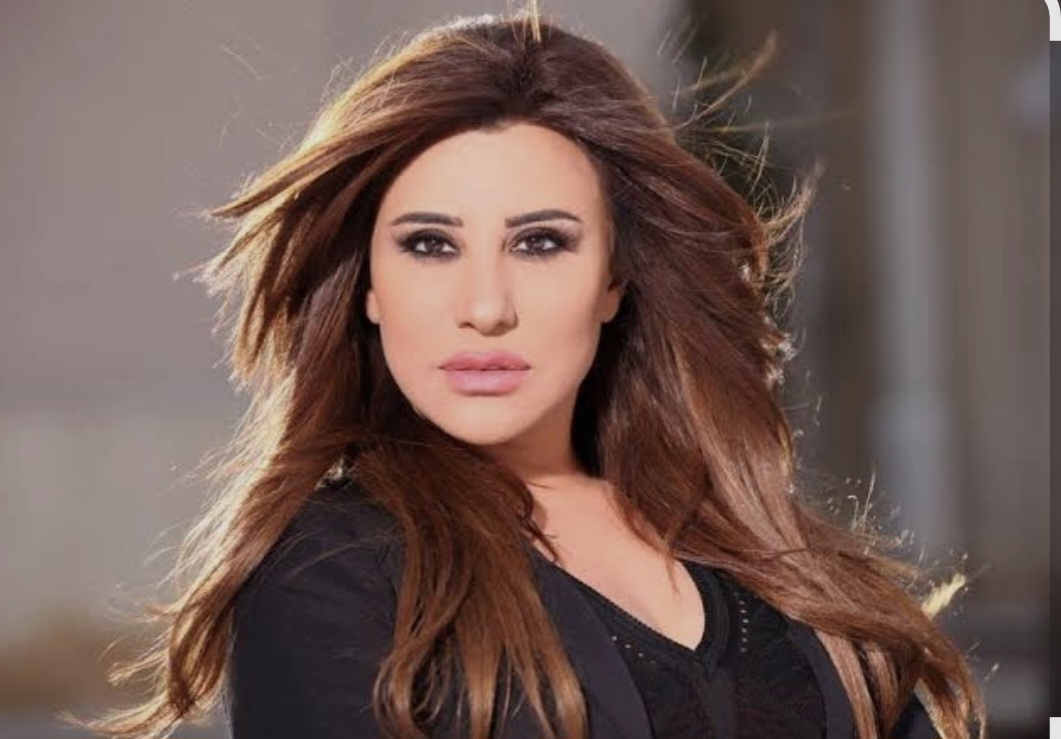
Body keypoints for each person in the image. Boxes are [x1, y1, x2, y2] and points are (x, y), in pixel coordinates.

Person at [70, 7, 985, 739]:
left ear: (613, 280)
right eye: (429, 244)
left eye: (540, 242)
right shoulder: (333, 572)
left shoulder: (763, 549)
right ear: (369, 286)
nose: (485, 305)